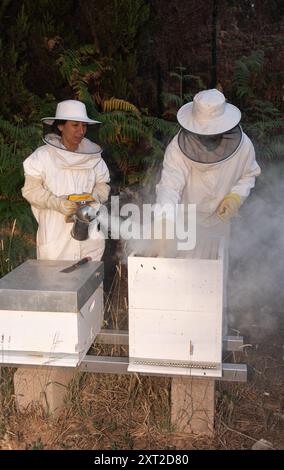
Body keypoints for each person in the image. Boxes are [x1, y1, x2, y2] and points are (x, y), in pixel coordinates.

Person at [155, 88, 261, 332]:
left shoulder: (243, 146)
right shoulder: (177, 149)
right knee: (184, 279)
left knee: (214, 278)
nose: (208, 139)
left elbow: (249, 174)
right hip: (186, 223)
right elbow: (169, 186)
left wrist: (235, 196)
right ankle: (181, 333)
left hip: (219, 222)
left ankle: (211, 335)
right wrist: (164, 220)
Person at [22, 99, 110, 261]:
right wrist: (56, 203)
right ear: (61, 126)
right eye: (75, 125)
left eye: (84, 126)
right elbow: (31, 190)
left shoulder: (94, 158)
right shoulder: (42, 156)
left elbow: (103, 185)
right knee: (56, 283)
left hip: (90, 235)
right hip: (56, 235)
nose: (81, 131)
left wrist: (93, 197)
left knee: (89, 283)